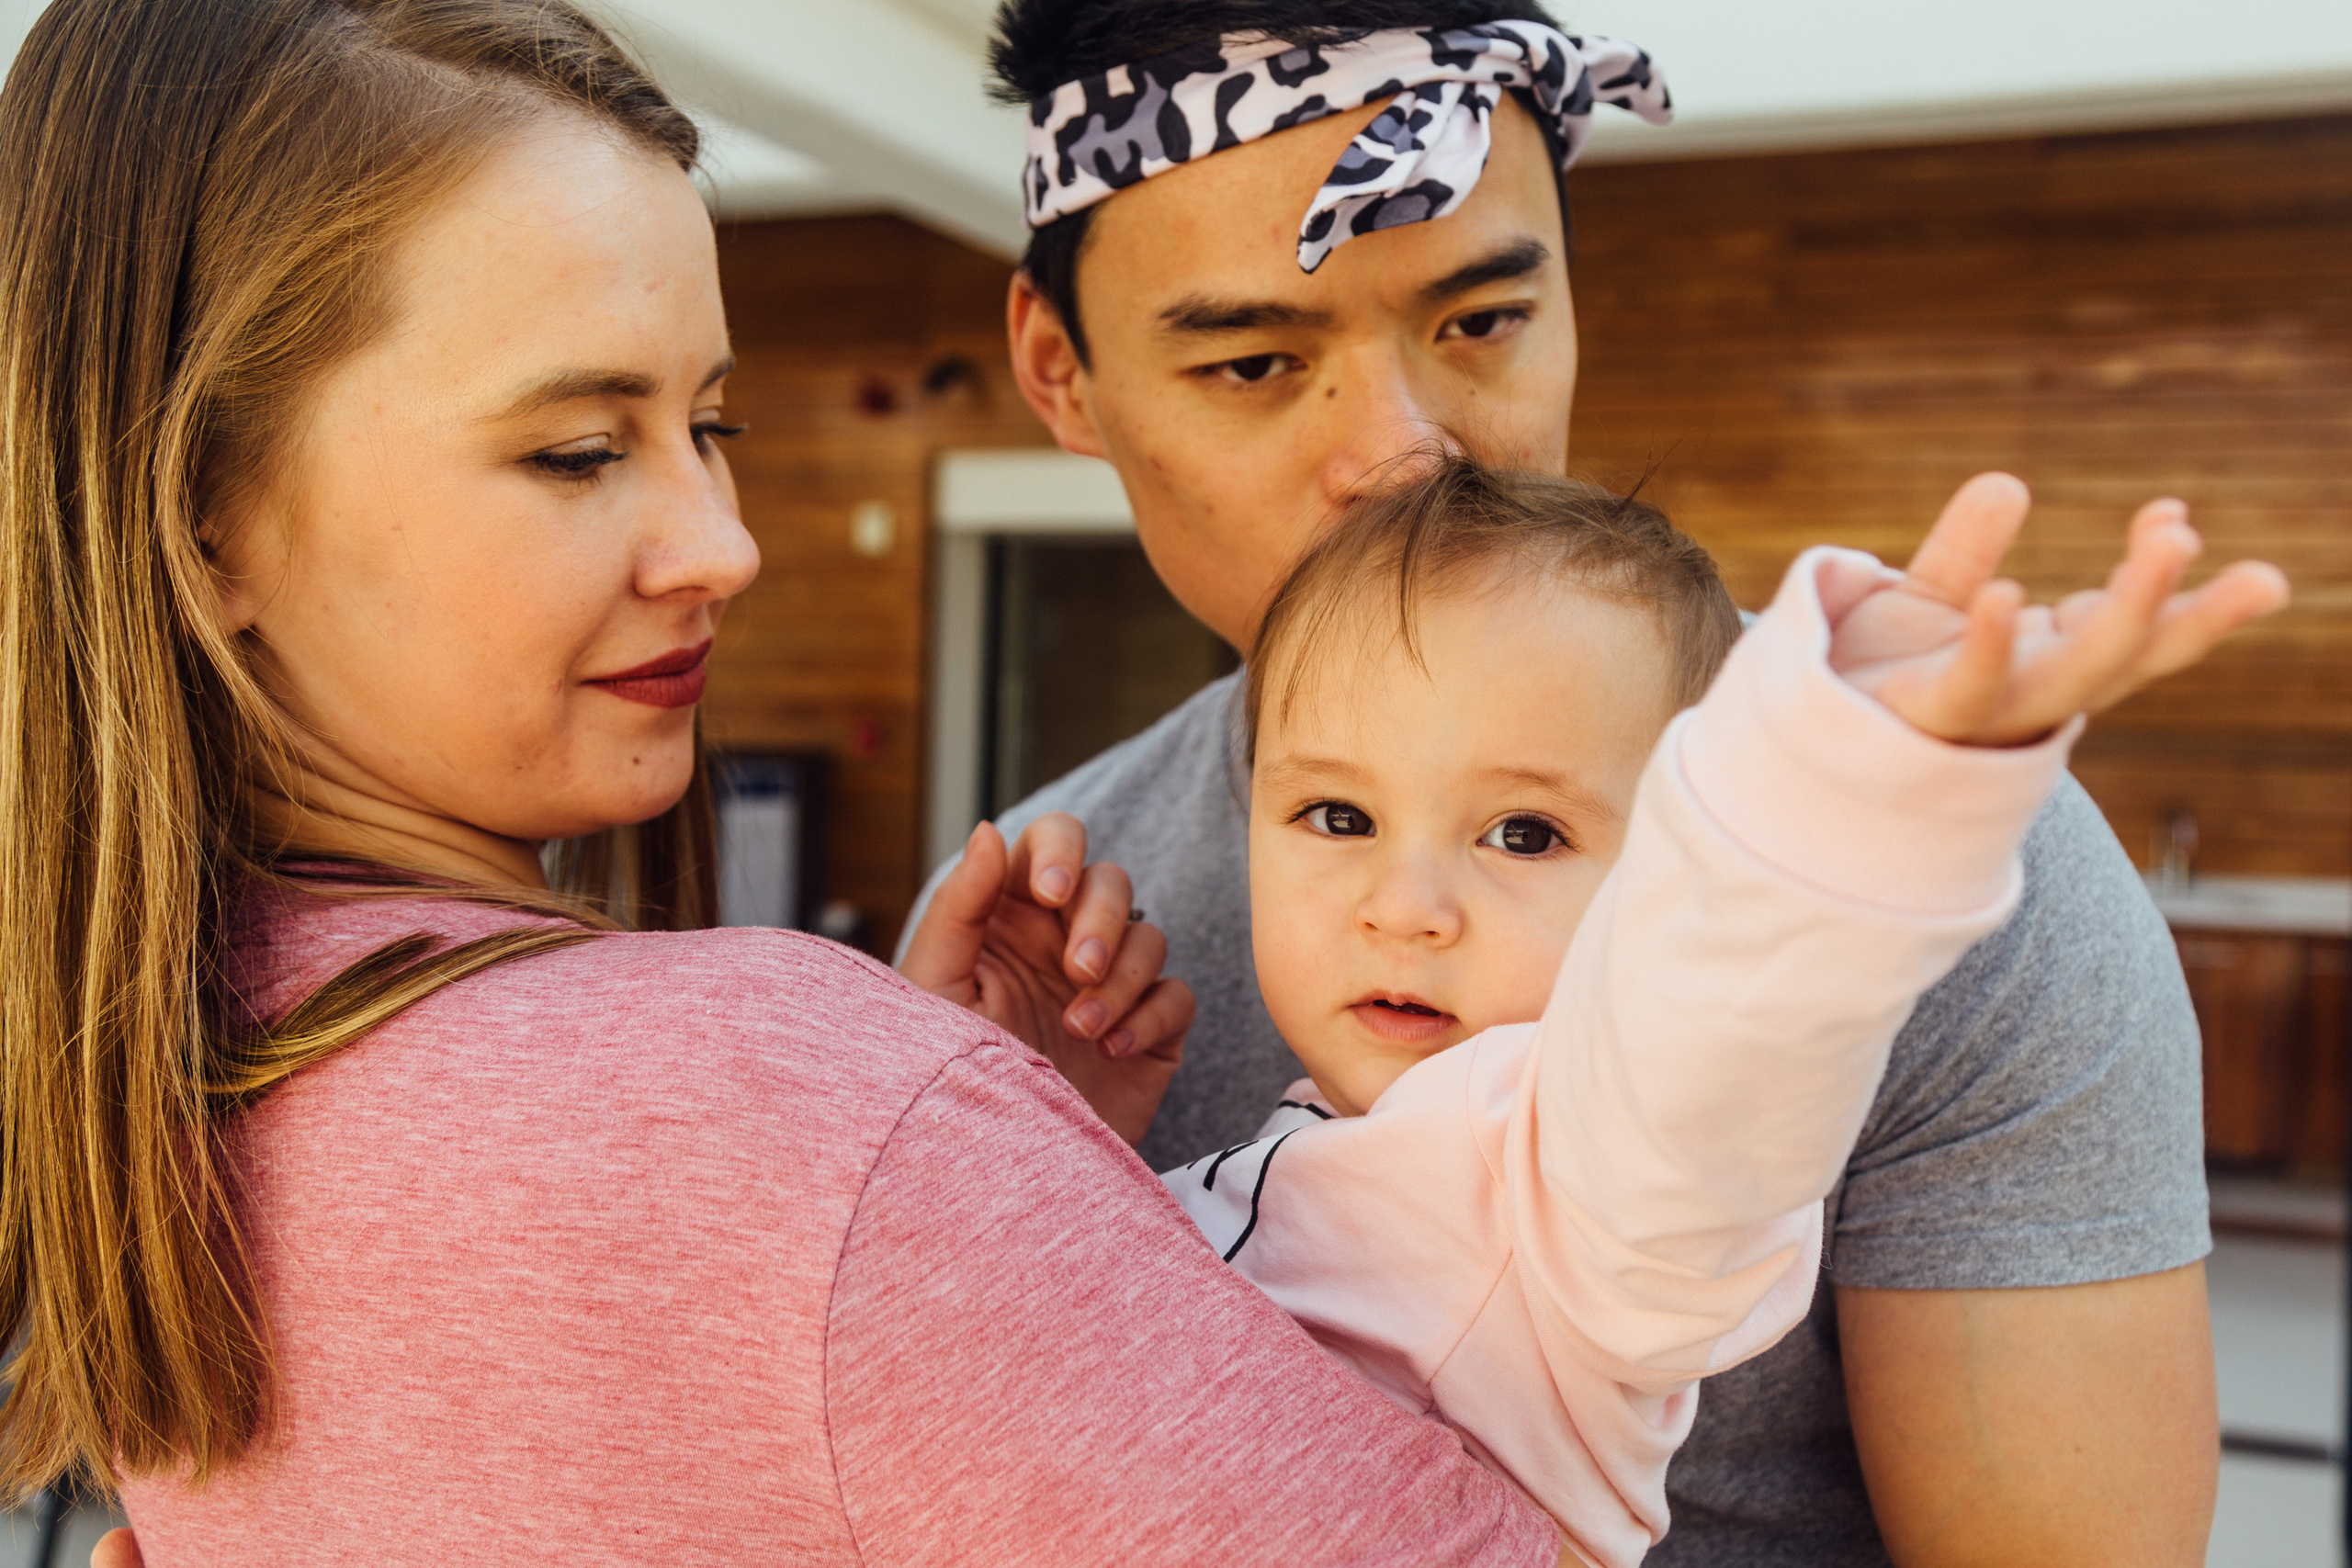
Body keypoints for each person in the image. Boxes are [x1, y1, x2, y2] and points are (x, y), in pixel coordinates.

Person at [3, 2, 1581, 1562]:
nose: (727, 544)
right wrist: (901, 1151)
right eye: (576, 449)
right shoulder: (801, 1090)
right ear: (202, 514)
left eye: (712, 423)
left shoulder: (144, 1111)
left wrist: (1020, 1184)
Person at [906, 1, 2232, 1560]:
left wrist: (1857, 810)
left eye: (1480, 322)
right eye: (1258, 359)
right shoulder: (1037, 917)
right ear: (1059, 371)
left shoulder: (1912, 866)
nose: (1404, 452)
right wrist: (999, 1152)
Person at [1147, 460, 2279, 1568]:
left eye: (1525, 834)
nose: (1404, 907)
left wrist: (1847, 801)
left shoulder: (1573, 1180)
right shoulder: (1326, 1141)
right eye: (1336, 816)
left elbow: (1720, 1052)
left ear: (1657, 892)